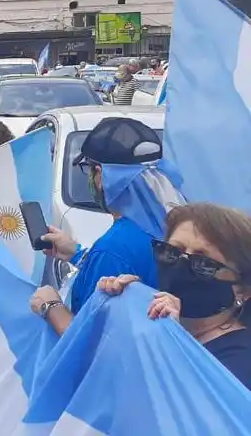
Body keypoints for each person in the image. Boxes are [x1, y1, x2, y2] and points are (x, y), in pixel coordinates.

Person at [29, 117, 184, 335]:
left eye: (89, 170)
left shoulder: (113, 248)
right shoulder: (178, 227)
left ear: (100, 176)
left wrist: (51, 306)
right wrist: (77, 254)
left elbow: (88, 341)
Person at [97, 202, 251, 389]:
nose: (181, 265)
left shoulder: (241, 360)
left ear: (243, 289)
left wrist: (52, 307)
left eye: (203, 263)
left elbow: (177, 406)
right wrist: (124, 305)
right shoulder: (160, 321)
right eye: (172, 252)